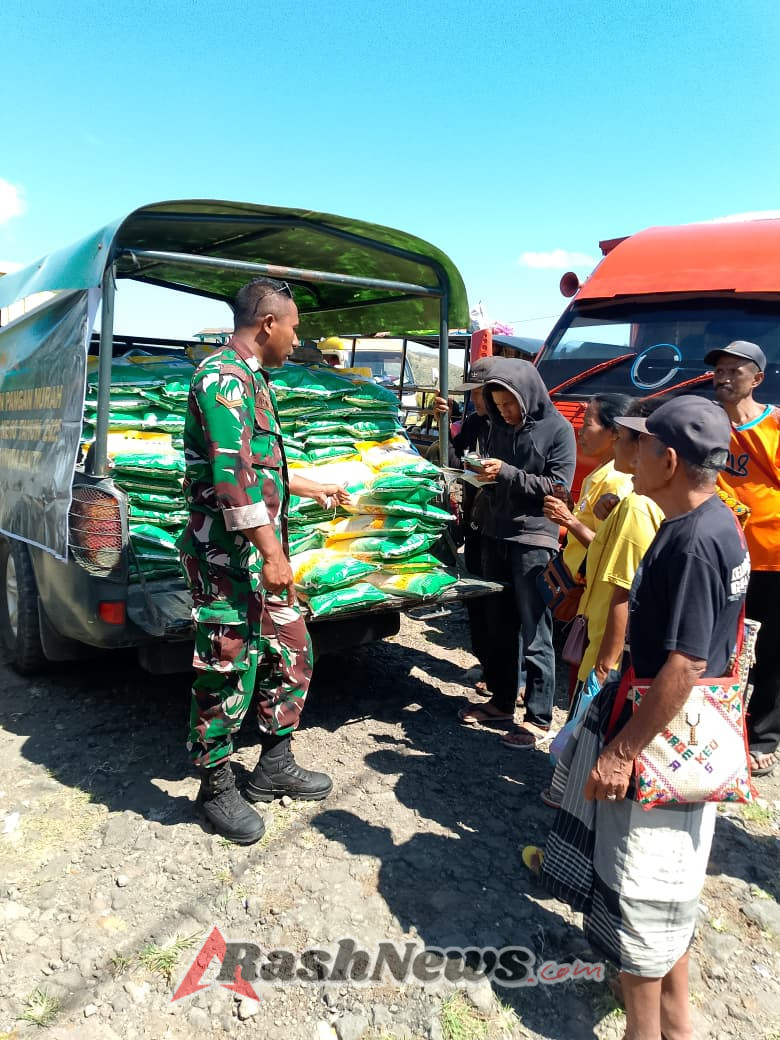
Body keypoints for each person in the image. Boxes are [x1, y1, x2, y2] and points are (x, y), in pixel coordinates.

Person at [541, 395, 750, 1040]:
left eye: (641, 444)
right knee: (669, 891)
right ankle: (677, 1023)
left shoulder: (691, 543)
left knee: (640, 886)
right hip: (684, 733)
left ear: (668, 458)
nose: (629, 454)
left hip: (664, 738)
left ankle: (644, 1032)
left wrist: (621, 751)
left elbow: (683, 667)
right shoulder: (709, 522)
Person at [178, 278, 350, 845]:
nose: (297, 338)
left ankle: (273, 762)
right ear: (269, 323)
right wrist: (272, 553)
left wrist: (309, 484)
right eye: (295, 327)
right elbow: (230, 480)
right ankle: (215, 784)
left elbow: (259, 468)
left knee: (292, 647)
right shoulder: (223, 377)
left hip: (258, 556)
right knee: (225, 663)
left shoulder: (253, 380)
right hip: (230, 558)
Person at [540, 396, 665, 808]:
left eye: (622, 438)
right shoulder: (633, 498)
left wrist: (604, 666)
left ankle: (574, 802)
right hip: (601, 634)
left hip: (605, 646)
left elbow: (622, 590)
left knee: (591, 726)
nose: (613, 446)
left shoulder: (636, 505)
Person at [457, 358, 577, 748]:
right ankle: (502, 702)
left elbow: (558, 488)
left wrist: (506, 473)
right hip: (494, 534)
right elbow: (493, 476)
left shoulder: (557, 430)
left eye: (509, 404)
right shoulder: (496, 427)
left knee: (535, 629)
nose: (505, 412)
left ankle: (539, 717)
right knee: (498, 625)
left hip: (532, 541)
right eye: (498, 406)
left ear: (527, 395)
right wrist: (478, 474)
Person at [706, 339, 780, 777]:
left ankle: (763, 735)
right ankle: (712, 726)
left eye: (736, 370)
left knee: (773, 652)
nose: (724, 376)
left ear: (757, 379)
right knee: (717, 644)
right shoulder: (708, 422)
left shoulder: (774, 428)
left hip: (773, 557)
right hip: (719, 553)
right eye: (719, 369)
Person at [542, 394, 634, 581]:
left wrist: (569, 520)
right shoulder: (600, 472)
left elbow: (608, 550)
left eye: (587, 424)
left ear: (615, 432)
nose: (580, 432)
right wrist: (570, 509)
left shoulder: (615, 482)